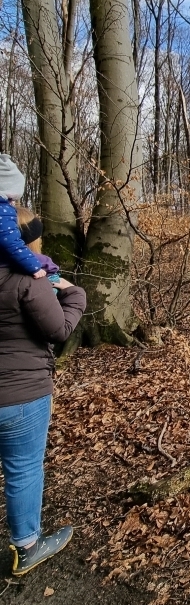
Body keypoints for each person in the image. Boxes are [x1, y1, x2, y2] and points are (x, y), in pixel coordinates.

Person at [0, 208, 87, 576]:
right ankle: (28, 547)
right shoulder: (29, 279)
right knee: (22, 468)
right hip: (21, 394)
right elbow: (58, 329)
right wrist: (75, 295)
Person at [0, 154, 47, 279]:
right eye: (11, 198)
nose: (13, 203)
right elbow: (11, 242)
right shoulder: (3, 210)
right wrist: (34, 266)